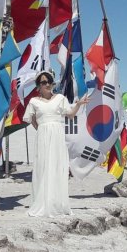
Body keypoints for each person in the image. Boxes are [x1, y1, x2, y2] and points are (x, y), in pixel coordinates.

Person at [22, 71, 88, 217]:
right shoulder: (34, 101)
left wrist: (78, 105)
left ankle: (57, 203)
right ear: (38, 86)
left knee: (57, 166)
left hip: (58, 135)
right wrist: (42, 129)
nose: (47, 85)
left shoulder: (60, 98)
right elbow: (31, 119)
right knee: (44, 167)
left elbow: (70, 115)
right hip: (43, 135)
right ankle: (43, 202)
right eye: (43, 82)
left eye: (49, 82)